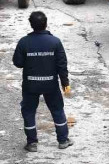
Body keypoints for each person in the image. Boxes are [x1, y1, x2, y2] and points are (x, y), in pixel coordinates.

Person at [12, 11, 73, 152]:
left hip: (30, 85)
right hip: (50, 84)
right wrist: (65, 83)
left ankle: (32, 143)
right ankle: (63, 140)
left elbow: (18, 63)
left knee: (28, 112)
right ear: (46, 24)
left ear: (31, 25)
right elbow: (62, 65)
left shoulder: (24, 42)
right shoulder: (55, 42)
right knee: (57, 110)